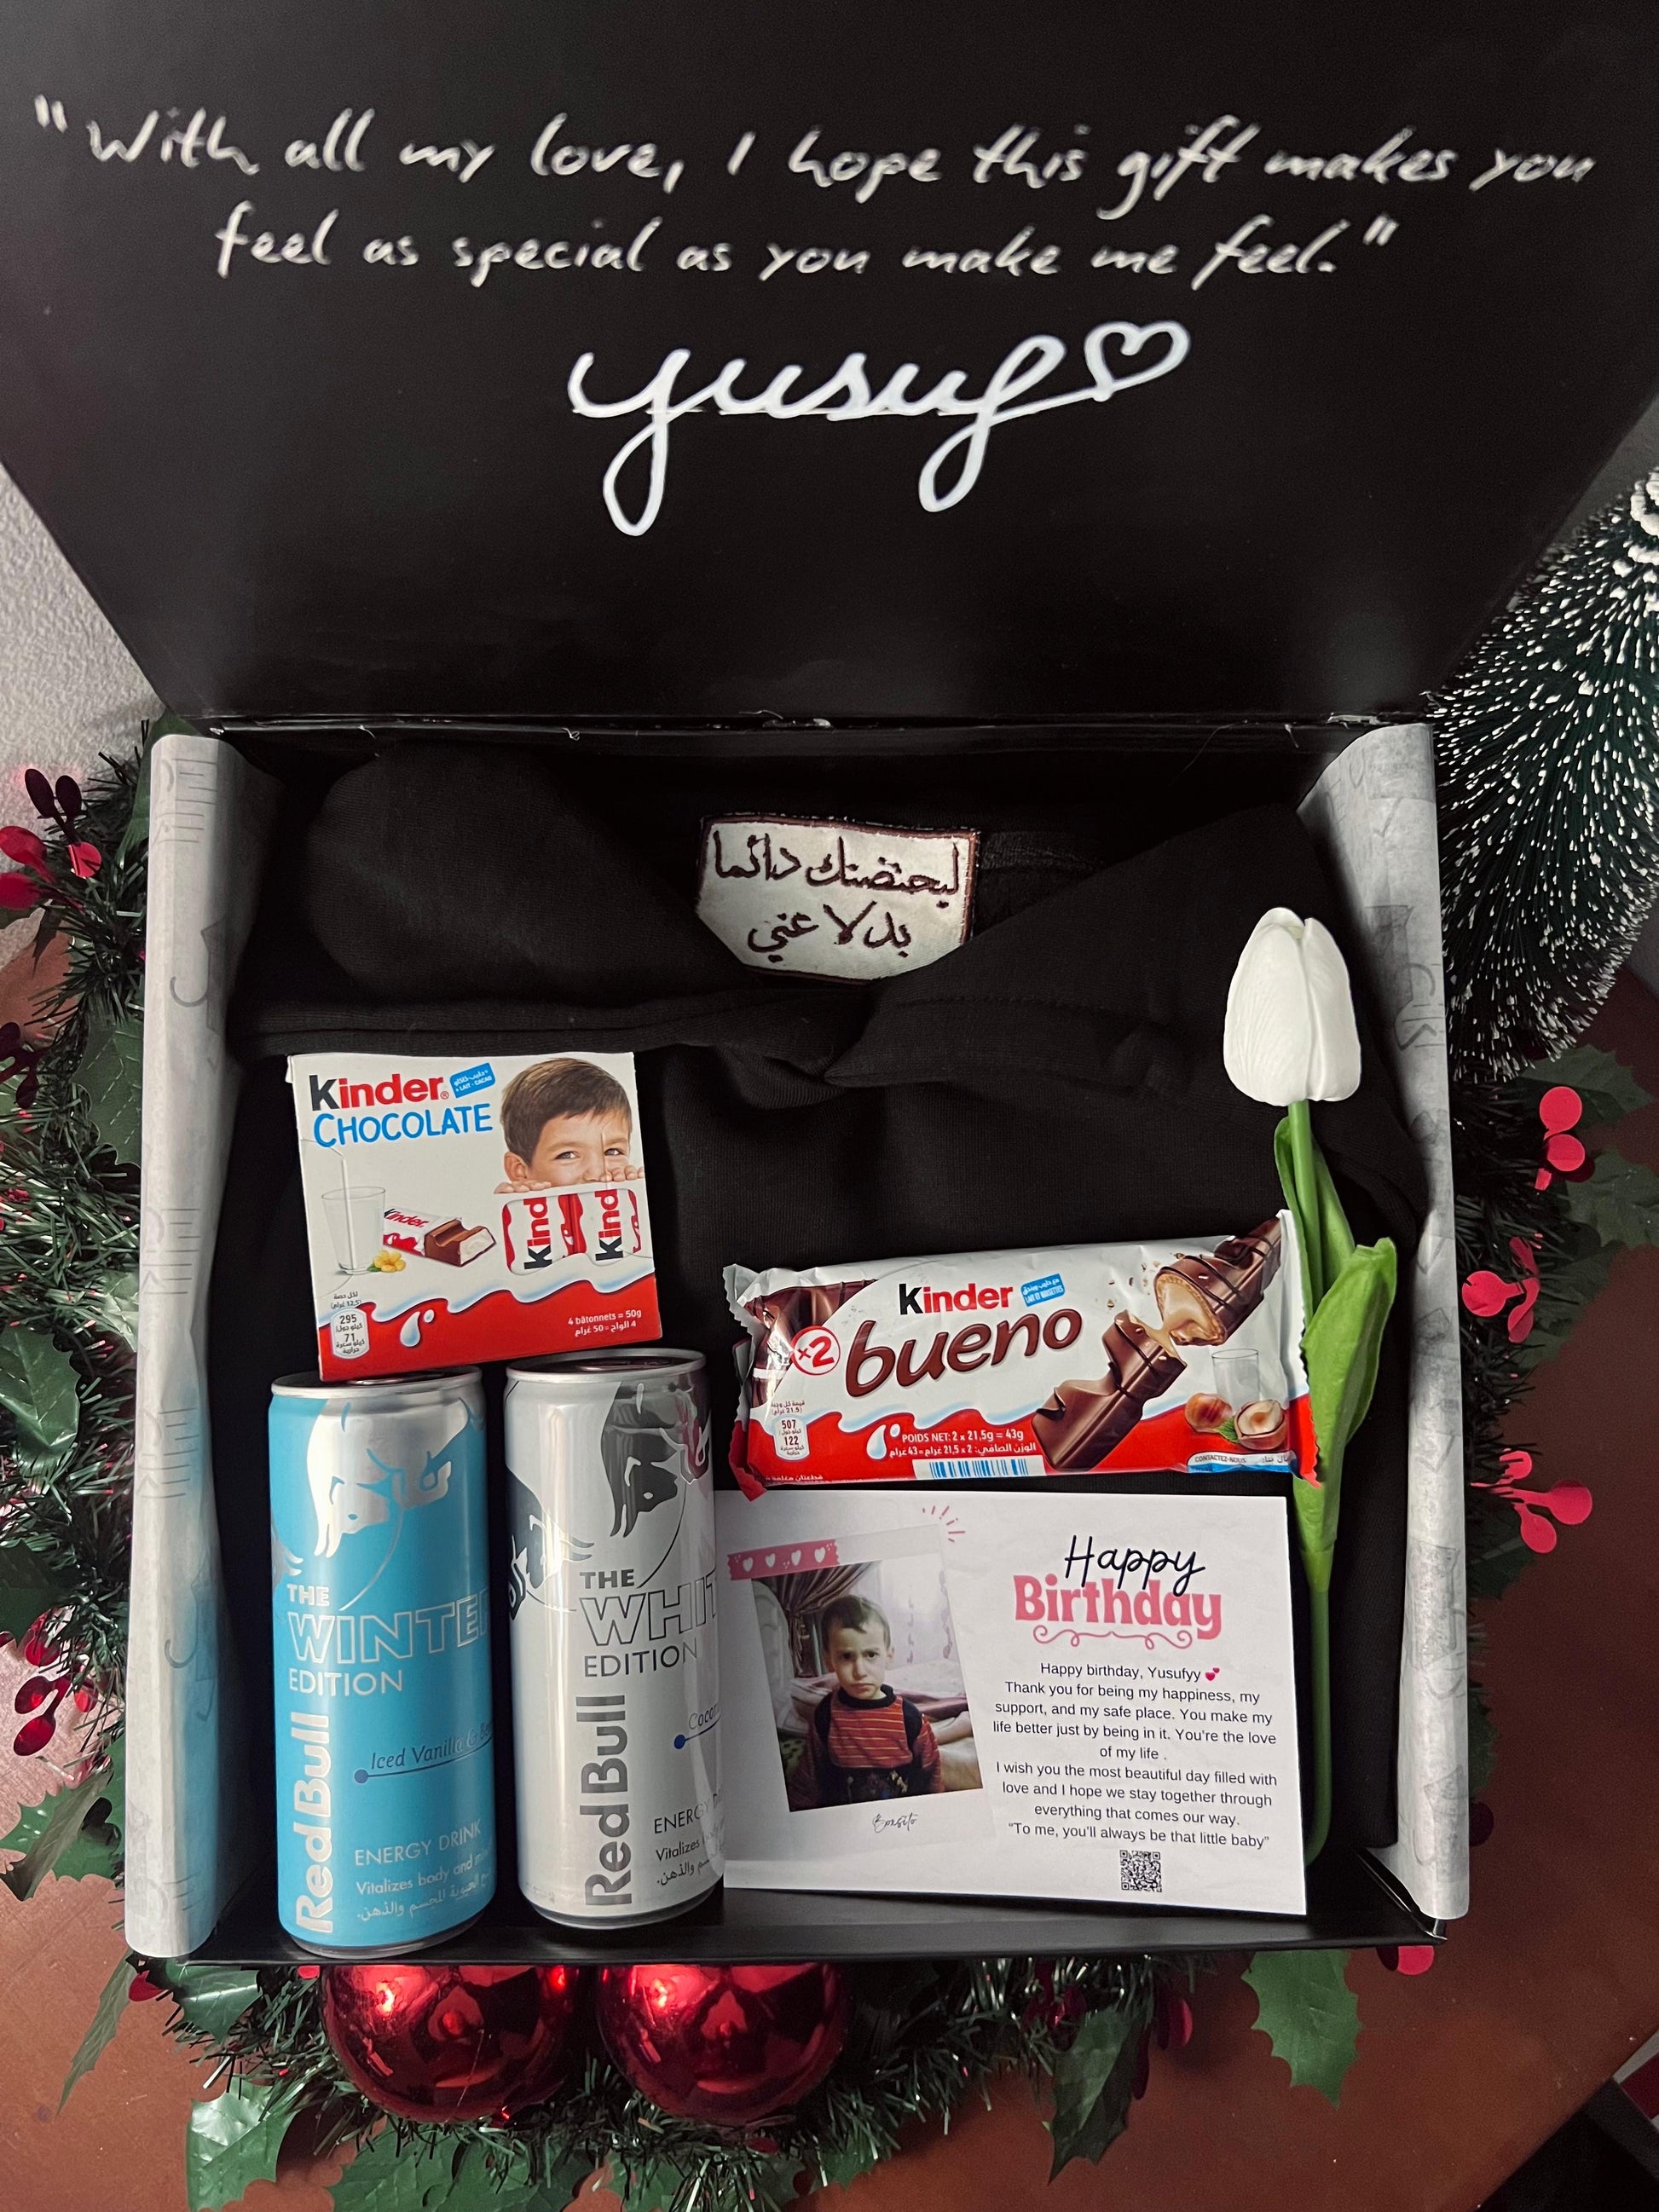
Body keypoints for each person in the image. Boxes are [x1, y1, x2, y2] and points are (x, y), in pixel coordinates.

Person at [789, 1594, 944, 1809]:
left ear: (889, 1656)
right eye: (846, 1657)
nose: (860, 1671)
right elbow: (808, 1780)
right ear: (829, 1661)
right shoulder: (826, 1714)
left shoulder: (909, 1718)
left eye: (870, 1655)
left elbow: (931, 1773)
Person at [495, 1057, 644, 1191]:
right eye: (567, 1155)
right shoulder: (513, 1209)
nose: (596, 1174)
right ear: (520, 1171)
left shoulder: (631, 1192)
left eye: (612, 1152)